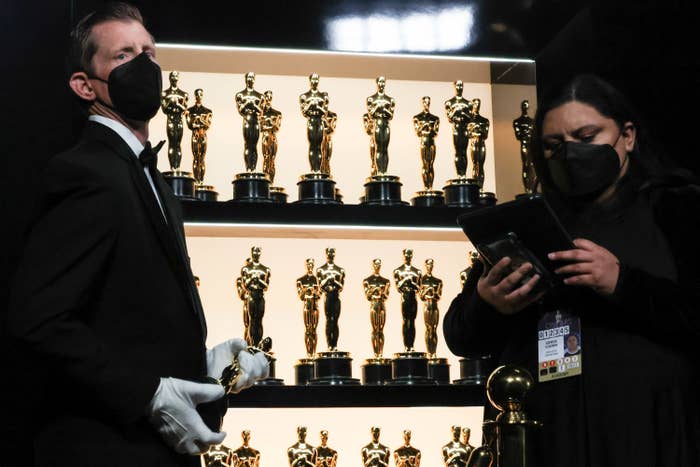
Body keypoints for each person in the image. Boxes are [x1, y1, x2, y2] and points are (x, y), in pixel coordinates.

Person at [5, 3, 268, 466]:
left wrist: (205, 365)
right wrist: (149, 394)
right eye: (123, 56)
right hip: (107, 449)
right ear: (85, 85)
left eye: (149, 51)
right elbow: (38, 319)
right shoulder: (85, 172)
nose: (144, 65)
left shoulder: (148, 176)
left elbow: (126, 316)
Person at [443, 74, 700, 467]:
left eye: (586, 137)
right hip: (546, 431)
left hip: (648, 430)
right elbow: (460, 334)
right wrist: (488, 303)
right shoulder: (527, 221)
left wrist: (622, 283)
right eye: (554, 145)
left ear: (627, 135)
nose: (570, 154)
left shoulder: (676, 208)